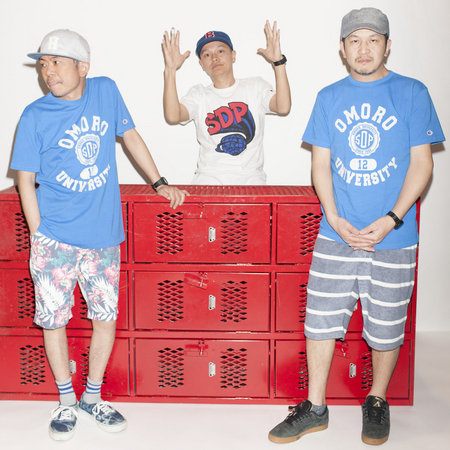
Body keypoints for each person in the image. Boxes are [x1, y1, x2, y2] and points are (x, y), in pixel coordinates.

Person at [268, 7, 444, 446]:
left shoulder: (412, 92)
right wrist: (333, 217)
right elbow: (320, 165)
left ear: (387, 46)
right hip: (337, 235)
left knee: (386, 326)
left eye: (373, 40)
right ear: (342, 49)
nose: (363, 49)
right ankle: (315, 407)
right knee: (319, 321)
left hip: (394, 237)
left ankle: (377, 400)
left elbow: (422, 165)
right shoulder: (329, 97)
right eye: (355, 41)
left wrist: (392, 219)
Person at [10, 29, 187, 441]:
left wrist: (159, 182)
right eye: (43, 64)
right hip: (55, 238)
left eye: (57, 62)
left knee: (105, 319)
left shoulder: (106, 91)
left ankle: (92, 397)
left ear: (83, 67)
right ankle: (66, 401)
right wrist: (39, 237)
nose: (48, 71)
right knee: (53, 321)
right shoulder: (34, 116)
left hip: (103, 237)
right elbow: (25, 181)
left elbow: (131, 136)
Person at [162, 21, 291, 185]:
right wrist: (170, 70)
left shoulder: (254, 87)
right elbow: (173, 116)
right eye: (207, 55)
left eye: (220, 51)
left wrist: (278, 62)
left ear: (233, 55)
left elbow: (283, 107)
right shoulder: (198, 95)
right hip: (208, 180)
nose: (214, 57)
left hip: (251, 180)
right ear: (202, 64)